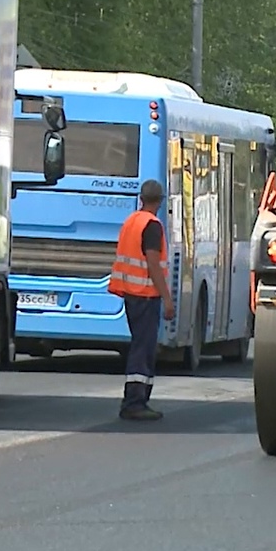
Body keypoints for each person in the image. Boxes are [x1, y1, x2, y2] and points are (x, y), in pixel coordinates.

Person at [108, 180, 176, 421]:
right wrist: (167, 299)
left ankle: (135, 400)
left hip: (130, 293)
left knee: (140, 345)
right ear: (160, 200)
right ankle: (135, 402)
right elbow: (153, 264)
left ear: (141, 197)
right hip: (146, 295)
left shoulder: (131, 222)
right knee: (143, 349)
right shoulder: (152, 226)